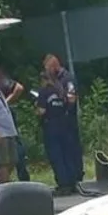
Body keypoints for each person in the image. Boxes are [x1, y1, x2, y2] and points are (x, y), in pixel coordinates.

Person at [35, 54, 84, 195]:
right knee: (68, 152)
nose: (47, 71)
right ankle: (73, 180)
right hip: (65, 122)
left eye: (48, 68)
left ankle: (68, 182)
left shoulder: (63, 80)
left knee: (62, 153)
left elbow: (71, 99)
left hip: (62, 123)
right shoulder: (63, 81)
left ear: (54, 66)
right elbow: (70, 99)